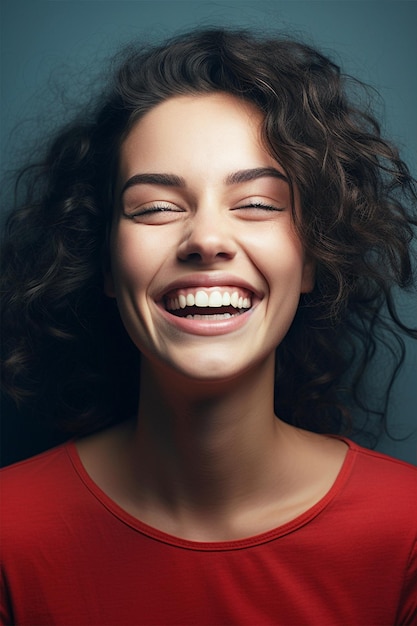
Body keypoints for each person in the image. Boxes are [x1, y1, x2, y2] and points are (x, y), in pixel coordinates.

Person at [1, 27, 416, 626]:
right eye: (156, 208)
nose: (207, 239)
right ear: (106, 265)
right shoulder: (10, 533)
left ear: (311, 259)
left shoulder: (405, 532)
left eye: (257, 203)